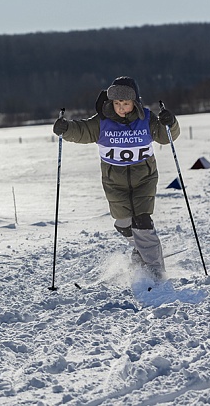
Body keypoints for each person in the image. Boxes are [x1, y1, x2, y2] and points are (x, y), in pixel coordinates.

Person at [52, 76, 179, 280]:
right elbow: (82, 130)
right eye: (117, 103)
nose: (121, 108)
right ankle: (140, 250)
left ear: (135, 102)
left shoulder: (146, 119)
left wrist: (170, 123)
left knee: (142, 222)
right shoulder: (102, 121)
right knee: (123, 223)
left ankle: (155, 273)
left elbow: (165, 137)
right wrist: (66, 129)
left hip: (144, 179)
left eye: (126, 103)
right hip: (114, 183)